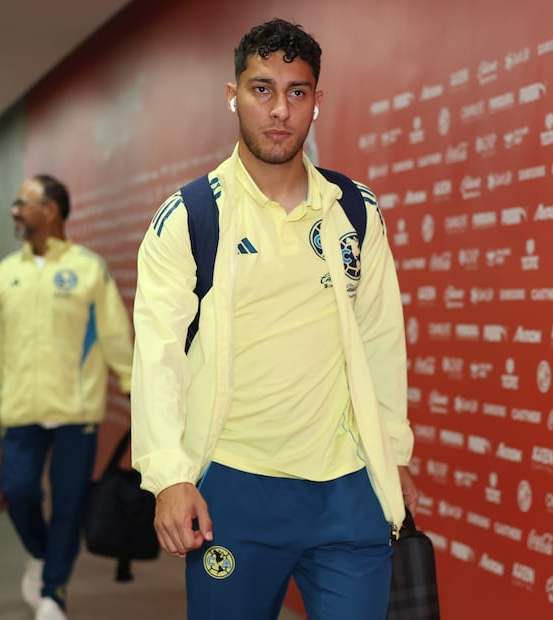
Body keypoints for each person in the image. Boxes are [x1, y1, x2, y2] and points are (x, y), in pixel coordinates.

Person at [131, 18, 417, 620]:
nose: (280, 109)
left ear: (318, 101)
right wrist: (169, 476)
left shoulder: (356, 215)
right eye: (262, 88)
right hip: (233, 491)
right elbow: (157, 355)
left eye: (298, 91)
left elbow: (381, 342)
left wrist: (393, 458)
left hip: (346, 490)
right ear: (231, 94)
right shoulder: (189, 217)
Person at [0, 174, 133, 620]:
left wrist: (136, 385)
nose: (15, 210)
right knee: (17, 491)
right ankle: (42, 555)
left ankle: (53, 594)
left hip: (75, 413)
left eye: (24, 202)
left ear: (53, 210)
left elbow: (115, 335)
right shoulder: (6, 273)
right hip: (20, 410)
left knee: (70, 504)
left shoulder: (88, 268)